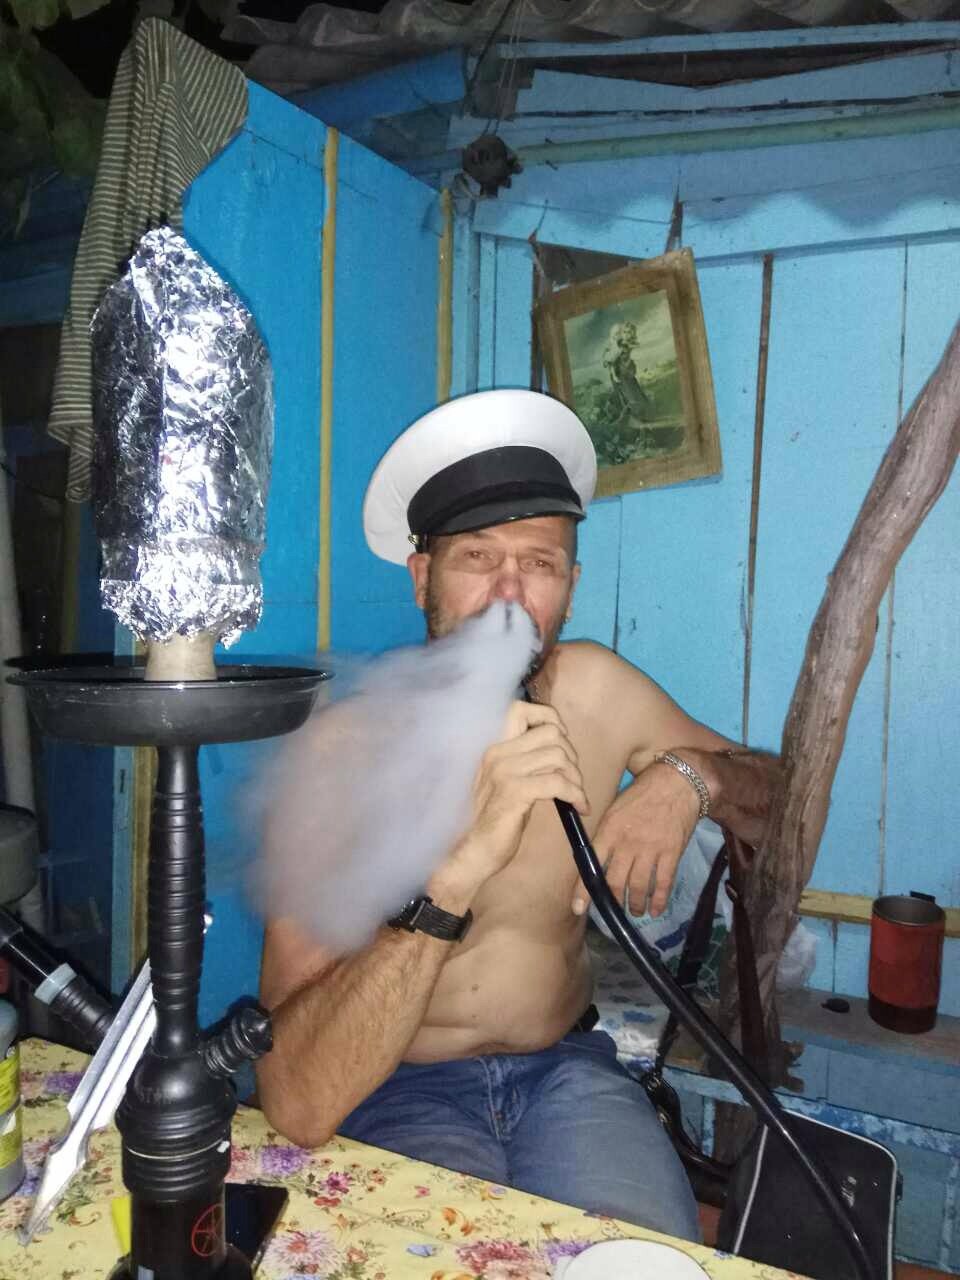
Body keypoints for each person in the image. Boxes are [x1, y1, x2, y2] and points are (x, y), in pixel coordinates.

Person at [255, 388, 781, 1241]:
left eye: (539, 562)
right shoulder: (338, 755)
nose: (509, 594)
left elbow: (783, 800)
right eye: (476, 557)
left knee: (645, 1259)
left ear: (569, 587)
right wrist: (458, 871)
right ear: (423, 577)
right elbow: (297, 1100)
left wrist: (691, 779)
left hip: (569, 1071)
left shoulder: (596, 690)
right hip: (396, 1088)